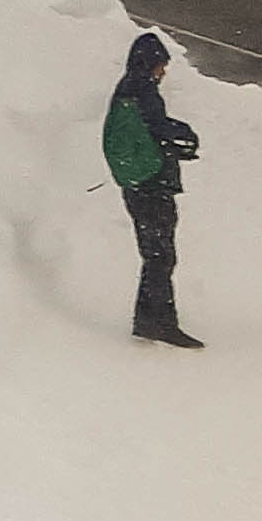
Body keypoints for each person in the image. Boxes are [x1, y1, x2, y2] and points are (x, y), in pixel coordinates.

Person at [100, 30, 203, 348]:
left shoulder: (126, 90)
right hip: (152, 184)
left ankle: (148, 319)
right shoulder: (143, 90)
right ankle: (160, 322)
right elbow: (157, 129)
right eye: (161, 65)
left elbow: (146, 133)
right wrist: (185, 134)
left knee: (153, 253)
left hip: (135, 183)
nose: (163, 72)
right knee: (161, 255)